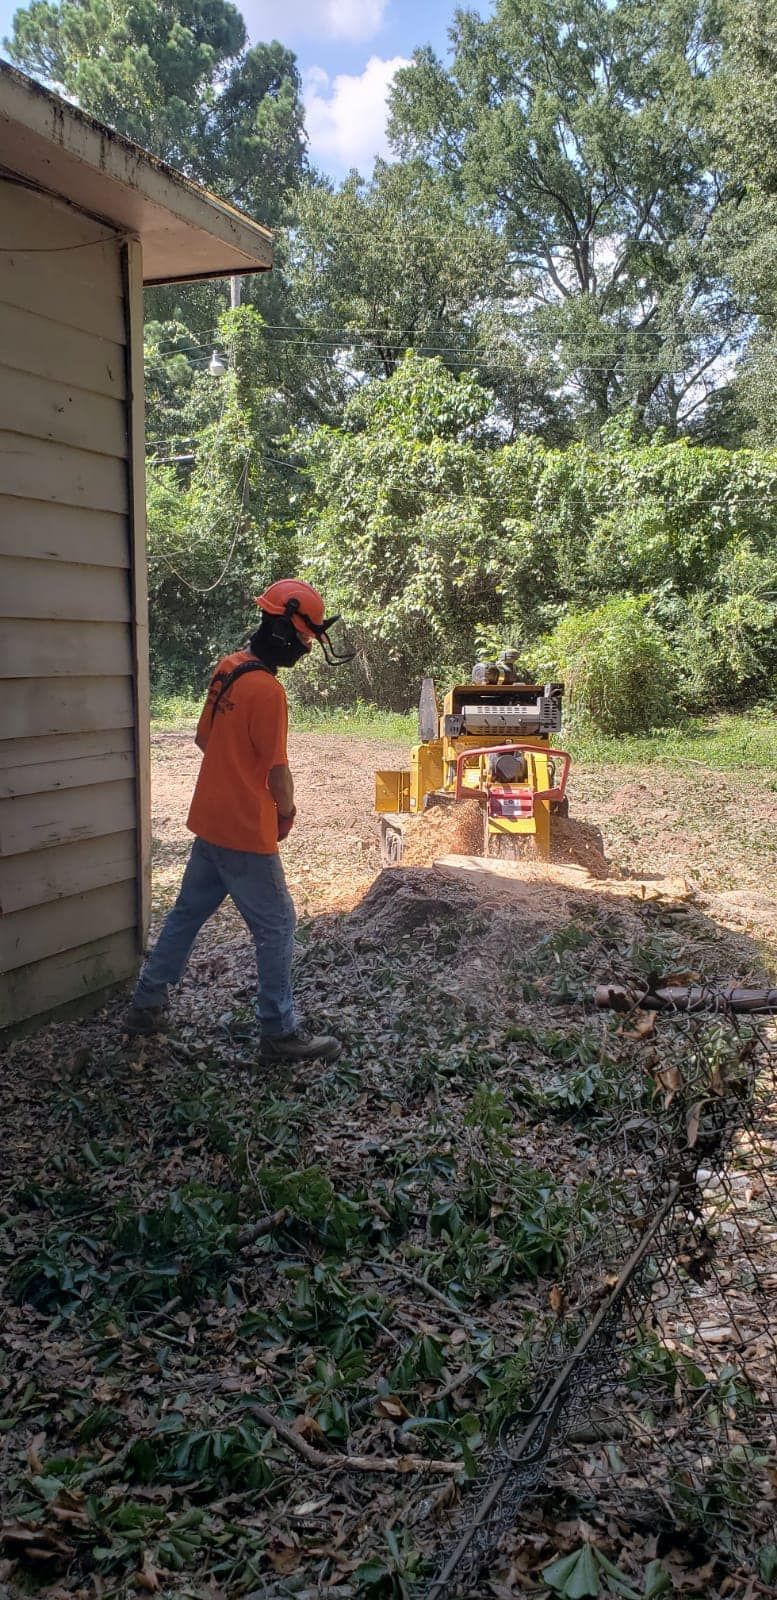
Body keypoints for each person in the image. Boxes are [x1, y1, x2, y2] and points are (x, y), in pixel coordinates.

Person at [124, 579, 352, 1063]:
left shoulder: (228, 668)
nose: (307, 649)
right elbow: (277, 772)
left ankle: (146, 1004)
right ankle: (279, 1030)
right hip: (247, 831)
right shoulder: (267, 691)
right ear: (285, 629)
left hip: (211, 819)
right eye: (306, 639)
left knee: (186, 914)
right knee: (278, 924)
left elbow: (205, 740)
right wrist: (286, 812)